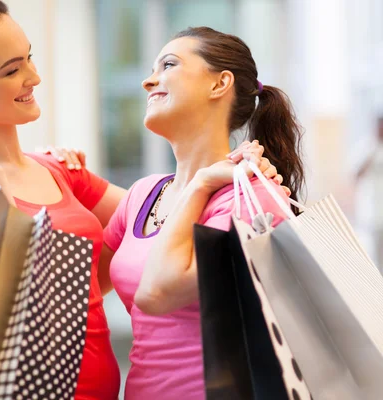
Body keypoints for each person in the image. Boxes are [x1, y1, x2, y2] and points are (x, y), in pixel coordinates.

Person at [0, 0, 289, 398]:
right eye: (12, 70)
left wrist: (245, 180)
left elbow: (113, 269)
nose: (34, 76)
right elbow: (30, 296)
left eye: (28, 58)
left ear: (221, 84)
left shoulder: (66, 171)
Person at [101, 27, 305, 399]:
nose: (149, 81)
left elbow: (157, 292)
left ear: (219, 84)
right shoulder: (143, 194)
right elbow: (83, 288)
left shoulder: (256, 200)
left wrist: (200, 185)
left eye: (168, 65)